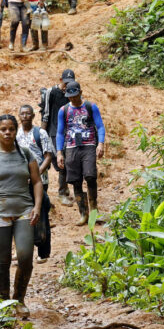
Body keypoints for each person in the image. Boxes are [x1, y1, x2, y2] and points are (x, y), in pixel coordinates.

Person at [0, 114, 44, 318]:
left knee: (25, 258)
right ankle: (3, 302)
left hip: (24, 211)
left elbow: (37, 182)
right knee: (2, 261)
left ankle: (19, 299)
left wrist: (37, 207)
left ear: (16, 131)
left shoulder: (26, 153)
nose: (7, 132)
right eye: (3, 129)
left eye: (11, 129)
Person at [55, 82, 105, 226]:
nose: (73, 99)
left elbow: (100, 126)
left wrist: (100, 143)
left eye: (75, 96)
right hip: (71, 147)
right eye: (70, 97)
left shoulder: (90, 107)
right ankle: (83, 213)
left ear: (80, 92)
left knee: (90, 176)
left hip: (88, 145)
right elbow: (59, 132)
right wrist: (59, 152)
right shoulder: (63, 110)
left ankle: (94, 211)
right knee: (75, 180)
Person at [17, 104, 56, 264]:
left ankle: (43, 252)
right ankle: (21, 249)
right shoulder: (16, 134)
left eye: (28, 113)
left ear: (33, 116)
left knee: (41, 214)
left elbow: (48, 156)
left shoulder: (40, 133)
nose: (25, 116)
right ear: (19, 116)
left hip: (40, 180)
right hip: (21, 181)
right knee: (21, 216)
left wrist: (36, 173)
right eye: (22, 113)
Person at [41, 69, 75, 206]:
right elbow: (46, 112)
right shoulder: (51, 92)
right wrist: (42, 134)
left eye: (70, 83)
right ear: (61, 81)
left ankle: (65, 188)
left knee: (68, 162)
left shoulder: (72, 92)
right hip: (54, 131)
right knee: (61, 163)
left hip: (68, 131)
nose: (67, 85)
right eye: (66, 82)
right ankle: (61, 193)